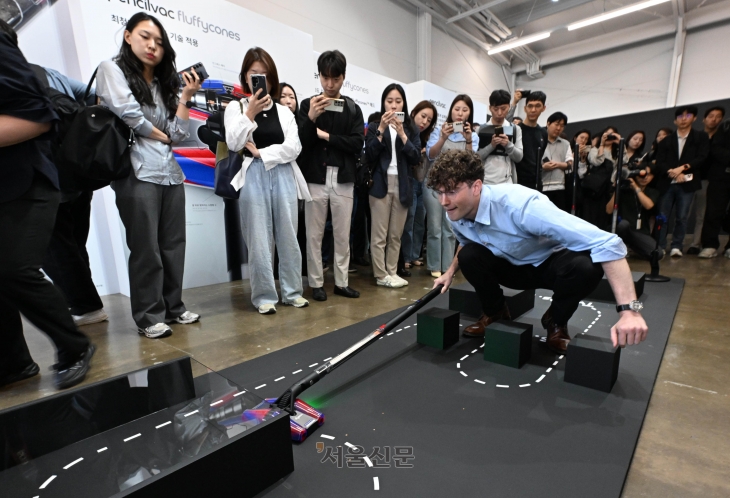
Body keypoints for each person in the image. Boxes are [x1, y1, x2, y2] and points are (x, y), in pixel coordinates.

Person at [429, 150, 648, 354]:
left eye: (451, 191)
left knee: (586, 267)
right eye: (439, 192)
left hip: (548, 265)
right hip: (510, 266)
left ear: (476, 187)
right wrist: (450, 272)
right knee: (468, 256)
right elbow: (466, 242)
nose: (443, 201)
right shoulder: (456, 210)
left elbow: (609, 243)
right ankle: (495, 312)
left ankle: (556, 321)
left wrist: (630, 311)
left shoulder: (523, 207)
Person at [0, 21, 94, 389]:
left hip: (26, 182)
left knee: (14, 269)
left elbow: (39, 116)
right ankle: (14, 363)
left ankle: (75, 346)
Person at [96, 13, 201, 338]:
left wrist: (184, 97)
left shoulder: (161, 84)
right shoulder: (111, 69)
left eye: (158, 41)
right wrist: (162, 135)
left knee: (174, 245)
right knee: (145, 248)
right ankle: (148, 315)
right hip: (136, 172)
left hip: (170, 173)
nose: (152, 46)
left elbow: (178, 134)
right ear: (128, 36)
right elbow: (130, 115)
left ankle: (174, 307)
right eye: (145, 37)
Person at [225, 48, 310, 314]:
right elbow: (234, 143)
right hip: (253, 175)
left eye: (264, 74)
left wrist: (262, 153)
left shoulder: (284, 111)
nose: (259, 79)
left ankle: (293, 292)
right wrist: (249, 113)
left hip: (283, 174)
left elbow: (294, 147)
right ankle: (263, 296)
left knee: (288, 235)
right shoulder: (236, 107)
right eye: (254, 74)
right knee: (258, 239)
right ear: (245, 77)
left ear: (272, 79)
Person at [30, 65, 109, 327]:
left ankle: (86, 306)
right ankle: (80, 302)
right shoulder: (49, 73)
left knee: (54, 247)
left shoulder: (15, 79)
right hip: (77, 172)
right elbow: (96, 95)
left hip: (47, 174)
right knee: (74, 245)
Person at [298, 50, 363, 302]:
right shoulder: (308, 105)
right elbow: (302, 142)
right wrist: (311, 118)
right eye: (325, 78)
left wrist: (326, 136)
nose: (330, 84)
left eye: (335, 78)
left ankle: (341, 282)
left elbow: (357, 143)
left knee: (342, 234)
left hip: (343, 177)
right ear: (319, 76)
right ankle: (316, 283)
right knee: (313, 234)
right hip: (315, 175)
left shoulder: (352, 108)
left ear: (343, 77)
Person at [365, 84, 421, 288]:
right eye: (389, 101)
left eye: (398, 101)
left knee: (396, 234)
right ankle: (381, 274)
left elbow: (415, 157)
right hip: (380, 182)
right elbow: (370, 154)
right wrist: (381, 129)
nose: (394, 105)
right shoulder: (374, 126)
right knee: (379, 235)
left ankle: (392, 271)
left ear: (404, 103)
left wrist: (403, 135)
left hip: (403, 183)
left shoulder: (411, 128)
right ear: (383, 103)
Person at [424, 94, 479, 278]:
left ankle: (448, 265)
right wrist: (442, 137)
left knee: (450, 228)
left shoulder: (473, 135)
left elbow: (472, 162)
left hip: (456, 189)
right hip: (435, 185)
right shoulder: (438, 130)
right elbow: (431, 155)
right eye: (457, 109)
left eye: (464, 110)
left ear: (469, 113)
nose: (460, 113)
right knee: (434, 226)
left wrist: (468, 140)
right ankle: (434, 264)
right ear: (451, 111)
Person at [655, 106, 709, 257]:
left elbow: (702, 157)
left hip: (688, 183)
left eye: (688, 115)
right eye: (680, 116)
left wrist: (682, 169)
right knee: (663, 216)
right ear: (675, 120)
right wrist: (672, 172)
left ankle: (677, 246)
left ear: (695, 118)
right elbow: (660, 161)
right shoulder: (667, 140)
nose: (684, 119)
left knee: (682, 217)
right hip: (667, 183)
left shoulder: (700, 137)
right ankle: (660, 246)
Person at [401, 101, 437, 271]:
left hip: (424, 182)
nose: (425, 122)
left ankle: (415, 255)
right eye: (423, 116)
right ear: (414, 112)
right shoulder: (405, 131)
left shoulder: (429, 137)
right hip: (409, 180)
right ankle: (406, 256)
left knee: (420, 221)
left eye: (429, 120)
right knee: (409, 219)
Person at [691, 107, 724, 256]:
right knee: (683, 214)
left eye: (718, 116)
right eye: (711, 116)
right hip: (690, 178)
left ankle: (696, 244)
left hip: (708, 180)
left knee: (702, 215)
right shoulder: (696, 137)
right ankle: (677, 244)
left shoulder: (721, 139)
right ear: (704, 119)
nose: (714, 119)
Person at [606, 170, 661, 260]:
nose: (645, 178)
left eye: (649, 175)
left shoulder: (652, 192)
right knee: (624, 224)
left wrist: (636, 188)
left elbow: (648, 205)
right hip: (624, 228)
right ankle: (622, 247)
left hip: (640, 232)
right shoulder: (625, 190)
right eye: (641, 175)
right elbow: (609, 210)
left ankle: (634, 248)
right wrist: (617, 189)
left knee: (657, 254)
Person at [700, 111, 730, 259]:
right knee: (713, 212)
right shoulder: (725, 126)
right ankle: (710, 245)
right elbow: (716, 149)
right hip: (720, 177)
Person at [477, 89, 523, 185]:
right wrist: (491, 146)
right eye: (496, 109)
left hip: (507, 183)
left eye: (503, 108)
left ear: (509, 107)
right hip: (484, 183)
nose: (499, 113)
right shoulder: (480, 129)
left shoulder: (515, 129)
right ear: (490, 108)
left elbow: (519, 157)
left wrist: (508, 145)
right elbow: (475, 158)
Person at [584, 126, 621, 229]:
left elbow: (624, 161)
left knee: (603, 216)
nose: (609, 137)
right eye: (607, 134)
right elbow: (597, 162)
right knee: (590, 216)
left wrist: (620, 143)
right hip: (593, 187)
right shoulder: (595, 149)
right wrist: (602, 144)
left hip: (607, 188)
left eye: (612, 135)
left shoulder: (617, 152)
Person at [514, 91, 548, 191]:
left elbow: (540, 156)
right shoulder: (516, 129)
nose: (533, 110)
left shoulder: (543, 133)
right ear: (525, 108)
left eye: (537, 106)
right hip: (517, 181)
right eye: (530, 106)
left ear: (543, 108)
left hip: (536, 182)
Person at [541, 112, 573, 211]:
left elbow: (570, 164)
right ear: (548, 123)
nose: (559, 128)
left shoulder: (565, 143)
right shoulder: (539, 141)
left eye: (562, 126)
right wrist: (543, 167)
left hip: (559, 188)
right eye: (556, 124)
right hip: (541, 186)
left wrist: (557, 164)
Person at [568, 129, 592, 217]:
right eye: (582, 137)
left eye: (586, 139)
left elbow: (581, 174)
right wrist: (576, 152)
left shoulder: (587, 152)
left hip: (579, 187)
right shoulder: (568, 150)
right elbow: (567, 166)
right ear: (575, 138)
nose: (584, 140)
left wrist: (583, 159)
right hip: (567, 184)